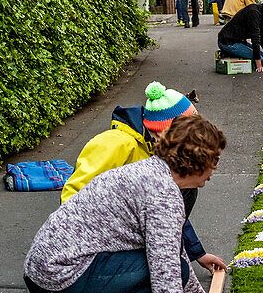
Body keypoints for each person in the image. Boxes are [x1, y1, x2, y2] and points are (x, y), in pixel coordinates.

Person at [24, 115, 226, 293]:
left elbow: (172, 246)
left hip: (47, 272)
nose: (216, 168)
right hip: (58, 280)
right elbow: (165, 272)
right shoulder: (162, 195)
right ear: (195, 161)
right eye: (214, 160)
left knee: (169, 265)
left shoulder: (152, 172)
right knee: (166, 271)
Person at [58, 81, 226, 282]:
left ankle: (156, 254)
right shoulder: (114, 143)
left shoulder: (157, 149)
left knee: (187, 188)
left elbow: (168, 208)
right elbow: (73, 195)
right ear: (163, 133)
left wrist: (196, 252)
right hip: (94, 238)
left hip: (126, 225)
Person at [217, 0, 263, 71]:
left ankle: (235, 53)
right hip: (227, 42)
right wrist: (258, 65)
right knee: (261, 61)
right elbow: (255, 38)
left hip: (239, 41)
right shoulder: (254, 13)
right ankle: (227, 53)